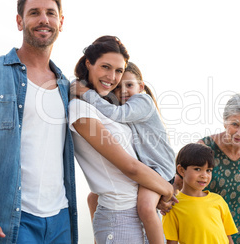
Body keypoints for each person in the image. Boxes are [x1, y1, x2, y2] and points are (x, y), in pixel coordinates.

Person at [0, 0, 77, 244]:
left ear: (61, 22)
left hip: (61, 218)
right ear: (20, 21)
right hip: (9, 218)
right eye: (34, 13)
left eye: (51, 13)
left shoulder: (68, 87)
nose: (44, 19)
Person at [69, 36, 176, 244]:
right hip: (120, 217)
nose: (112, 77)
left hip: (136, 211)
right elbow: (130, 167)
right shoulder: (81, 108)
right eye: (105, 67)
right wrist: (166, 190)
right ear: (88, 63)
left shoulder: (111, 106)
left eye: (118, 70)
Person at [197, 92, 240, 244]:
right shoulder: (204, 148)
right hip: (210, 238)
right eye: (235, 124)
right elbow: (181, 188)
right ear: (225, 121)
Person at [162, 143, 238, 244]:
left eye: (208, 170)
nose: (204, 175)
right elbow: (171, 242)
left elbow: (228, 238)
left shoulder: (218, 200)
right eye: (198, 169)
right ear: (181, 170)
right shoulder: (173, 205)